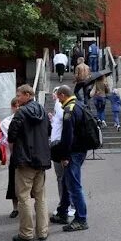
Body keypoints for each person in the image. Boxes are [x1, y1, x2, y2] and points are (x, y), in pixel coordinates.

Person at [7, 84, 51, 241]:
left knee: (23, 197)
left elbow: (11, 135)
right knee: (41, 197)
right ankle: (43, 231)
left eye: (19, 96)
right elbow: (49, 131)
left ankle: (26, 233)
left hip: (25, 160)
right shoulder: (43, 111)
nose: (17, 99)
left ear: (27, 94)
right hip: (41, 159)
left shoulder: (21, 113)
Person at [50, 85, 89, 232]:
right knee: (67, 183)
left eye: (58, 97)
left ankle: (81, 219)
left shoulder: (69, 110)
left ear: (62, 95)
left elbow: (68, 136)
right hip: (79, 150)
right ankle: (62, 212)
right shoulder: (79, 105)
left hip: (73, 152)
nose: (57, 101)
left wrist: (64, 156)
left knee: (74, 186)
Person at [0, 97, 21, 218]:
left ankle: (25, 206)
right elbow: (8, 139)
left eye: (19, 106)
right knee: (13, 183)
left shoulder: (27, 119)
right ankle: (15, 208)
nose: (17, 108)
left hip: (25, 156)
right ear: (12, 107)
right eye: (15, 106)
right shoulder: (6, 122)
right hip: (13, 156)